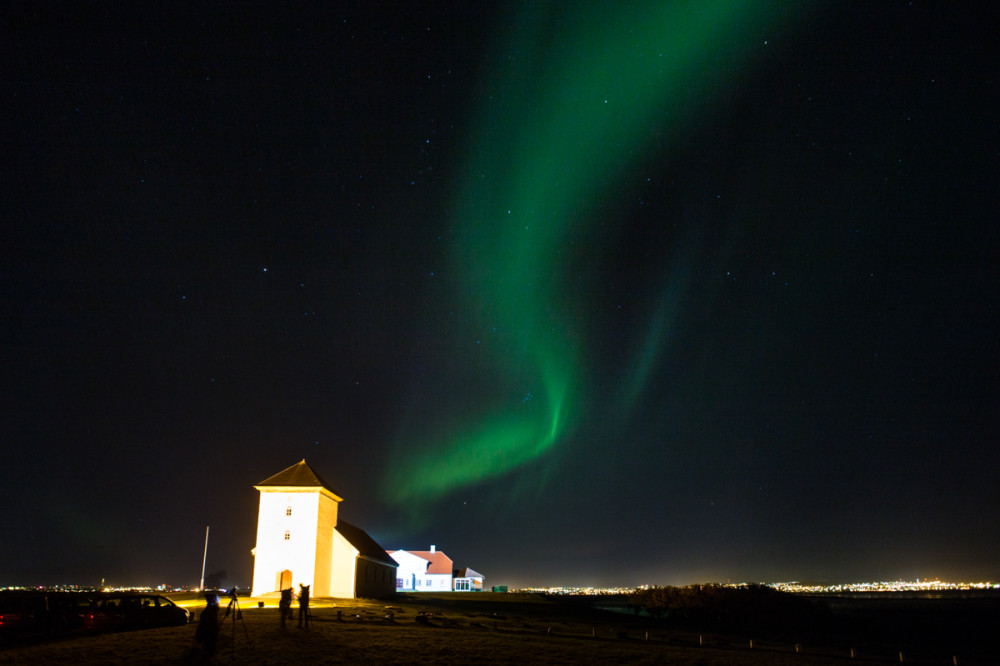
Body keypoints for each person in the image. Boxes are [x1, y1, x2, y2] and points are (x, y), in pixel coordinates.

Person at [194, 592, 220, 659]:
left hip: (207, 632)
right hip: (209, 632)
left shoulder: (208, 610)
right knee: (209, 645)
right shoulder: (212, 610)